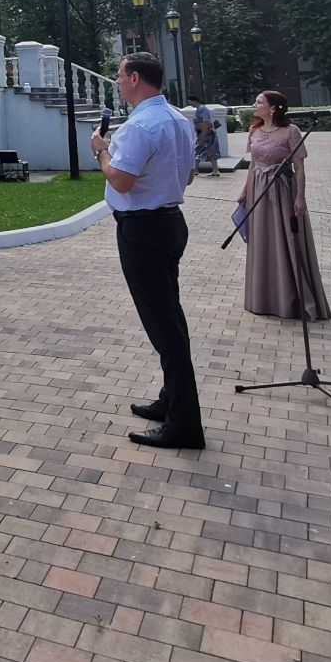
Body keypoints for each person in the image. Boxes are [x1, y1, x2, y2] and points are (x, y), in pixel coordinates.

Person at [91, 53, 203, 450]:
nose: (117, 83)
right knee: (169, 316)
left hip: (143, 229)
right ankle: (171, 400)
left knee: (164, 327)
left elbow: (121, 180)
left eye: (120, 76)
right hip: (170, 222)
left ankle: (184, 424)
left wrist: (101, 151)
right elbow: (188, 174)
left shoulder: (139, 125)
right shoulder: (178, 119)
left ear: (135, 78)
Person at [238, 92, 331, 322]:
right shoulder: (254, 130)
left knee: (286, 239)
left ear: (273, 108)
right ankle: (264, 297)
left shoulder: (291, 131)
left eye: (259, 102)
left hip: (281, 190)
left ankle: (291, 298)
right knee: (262, 239)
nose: (254, 105)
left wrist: (301, 197)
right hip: (259, 189)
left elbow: (299, 167)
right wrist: (245, 190)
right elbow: (253, 165)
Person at [193, 105, 222, 178]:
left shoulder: (202, 111)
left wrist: (202, 137)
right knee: (212, 153)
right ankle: (215, 171)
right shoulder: (205, 112)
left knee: (198, 152)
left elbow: (204, 126)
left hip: (205, 135)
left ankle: (195, 170)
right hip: (210, 135)